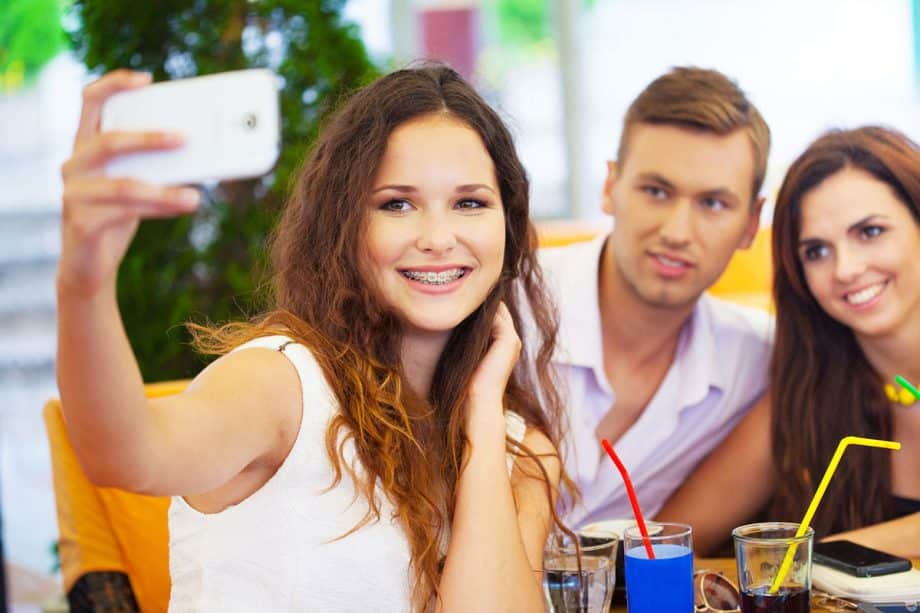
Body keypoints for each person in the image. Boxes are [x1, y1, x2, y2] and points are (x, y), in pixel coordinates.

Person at [56, 64, 571, 611]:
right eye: (396, 203)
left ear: (509, 228)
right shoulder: (282, 383)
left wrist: (483, 411)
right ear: (343, 227)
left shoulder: (519, 447)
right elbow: (127, 455)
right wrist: (84, 284)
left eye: (470, 202)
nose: (439, 239)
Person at [658, 126, 920, 557]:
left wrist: (812, 557)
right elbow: (665, 546)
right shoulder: (804, 398)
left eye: (870, 232)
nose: (846, 269)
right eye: (816, 251)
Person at [536, 66, 774, 527]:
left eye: (713, 203)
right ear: (610, 187)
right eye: (656, 191)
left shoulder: (758, 356)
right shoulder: (506, 306)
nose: (677, 232)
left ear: (750, 222)